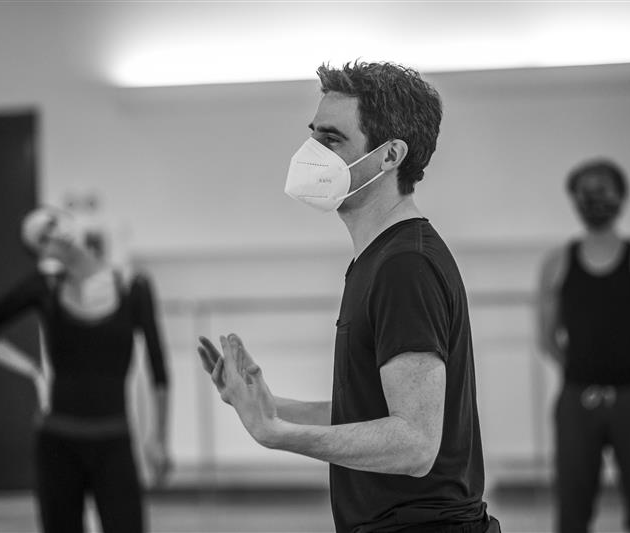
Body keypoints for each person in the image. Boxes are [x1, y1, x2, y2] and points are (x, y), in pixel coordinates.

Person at [197, 61, 499, 533]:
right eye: (313, 135)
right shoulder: (378, 258)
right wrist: (269, 404)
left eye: (332, 139)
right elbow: (371, 413)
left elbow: (415, 443)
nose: (312, 153)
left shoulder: (406, 267)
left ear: (390, 155)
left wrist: (278, 435)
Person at [0, 206, 172, 533]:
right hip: (58, 442)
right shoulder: (43, 288)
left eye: (53, 223)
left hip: (114, 438)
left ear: (71, 222)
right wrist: (33, 370)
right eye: (42, 237)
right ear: (41, 253)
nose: (54, 234)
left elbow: (158, 366)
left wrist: (159, 438)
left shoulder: (133, 285)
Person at [537, 159, 630, 533]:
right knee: (572, 510)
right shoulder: (556, 264)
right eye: (585, 191)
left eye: (602, 189)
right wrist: (586, 374)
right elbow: (547, 339)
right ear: (574, 199)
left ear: (621, 196)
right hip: (576, 401)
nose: (594, 198)